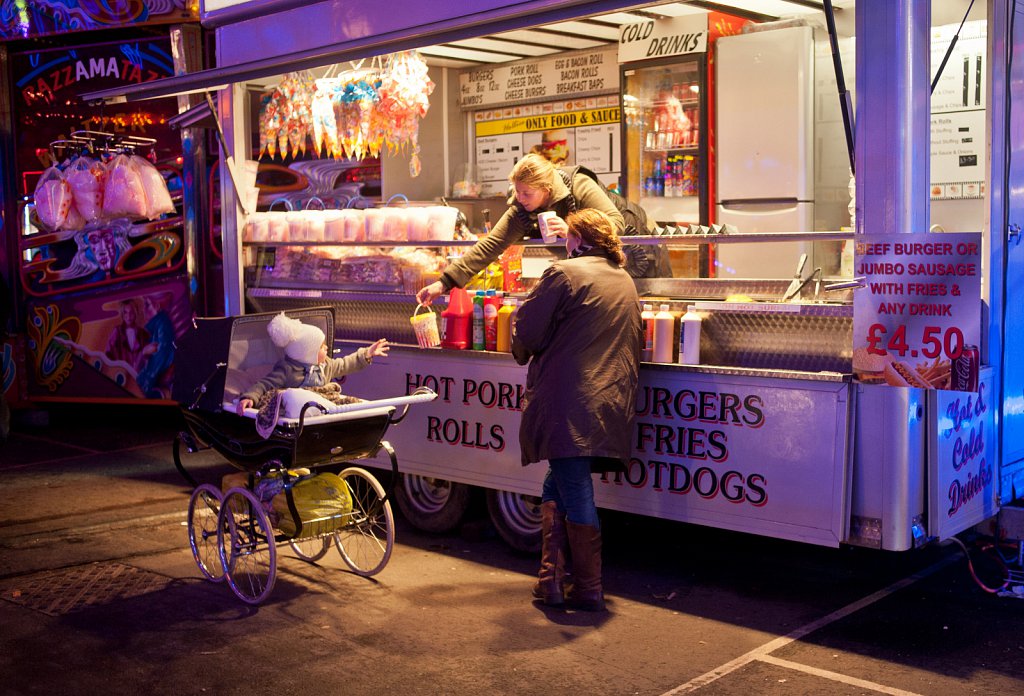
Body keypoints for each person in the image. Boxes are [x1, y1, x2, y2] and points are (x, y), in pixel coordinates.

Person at [511, 208, 642, 612]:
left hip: (569, 399)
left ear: (576, 239)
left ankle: (587, 587)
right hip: (610, 398)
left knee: (576, 489)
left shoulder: (563, 273)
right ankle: (549, 581)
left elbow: (528, 331)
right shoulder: (624, 280)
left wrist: (519, 337)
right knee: (560, 481)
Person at [416, 153, 624, 306]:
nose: (520, 198)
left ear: (547, 190)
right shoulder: (522, 209)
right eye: (517, 191)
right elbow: (489, 246)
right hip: (585, 277)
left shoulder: (579, 185)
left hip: (628, 255)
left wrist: (573, 230)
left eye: (527, 193)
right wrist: (443, 283)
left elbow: (617, 223)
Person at [236, 312, 390, 415]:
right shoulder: (287, 370)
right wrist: (250, 397)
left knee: (352, 405)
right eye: (322, 347)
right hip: (301, 413)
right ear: (308, 353)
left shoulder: (325, 366)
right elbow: (264, 384)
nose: (327, 348)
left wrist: (366, 354)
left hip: (322, 410)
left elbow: (345, 364)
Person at [105, 299, 149, 370]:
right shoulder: (117, 331)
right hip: (122, 374)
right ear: (122, 314)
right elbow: (108, 354)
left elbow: (148, 356)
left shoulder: (143, 334)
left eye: (131, 312)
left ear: (135, 313)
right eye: (125, 312)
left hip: (139, 375)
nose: (128, 316)